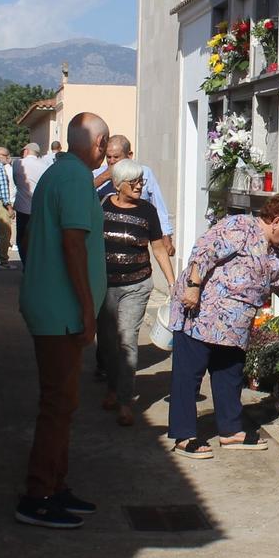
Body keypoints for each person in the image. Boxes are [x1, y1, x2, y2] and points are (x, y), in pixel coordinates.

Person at [165, 194, 279, 457]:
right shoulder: (239, 227)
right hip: (202, 316)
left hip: (234, 328)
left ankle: (230, 431)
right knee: (188, 375)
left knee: (229, 375)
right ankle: (184, 435)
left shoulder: (274, 257)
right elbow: (203, 252)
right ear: (276, 221)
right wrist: (192, 288)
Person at [15, 112, 109, 529]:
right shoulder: (73, 178)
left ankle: (56, 485)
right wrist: (88, 310)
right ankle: (37, 495)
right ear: (98, 144)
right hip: (61, 312)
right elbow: (73, 244)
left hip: (55, 309)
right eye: (103, 144)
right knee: (57, 405)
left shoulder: (60, 173)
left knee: (64, 404)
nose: (104, 151)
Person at [96, 160, 174, 427]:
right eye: (134, 182)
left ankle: (126, 401)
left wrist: (172, 282)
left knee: (127, 339)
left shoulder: (148, 212)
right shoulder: (103, 206)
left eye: (141, 181)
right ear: (118, 185)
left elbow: (159, 248)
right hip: (105, 287)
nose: (140, 186)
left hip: (136, 286)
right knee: (106, 342)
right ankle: (112, 388)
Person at [14, 141, 52, 268]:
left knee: (21, 238)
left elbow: (16, 182)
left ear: (26, 151)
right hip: (38, 207)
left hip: (22, 206)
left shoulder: (18, 163)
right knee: (37, 238)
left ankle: (25, 264)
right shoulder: (44, 165)